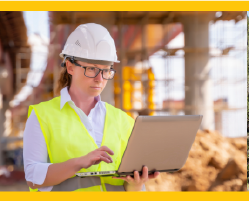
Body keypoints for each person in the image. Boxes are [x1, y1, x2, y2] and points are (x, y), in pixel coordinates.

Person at [22, 23, 157, 192]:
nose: (100, 78)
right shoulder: (42, 116)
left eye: (106, 70)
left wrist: (136, 184)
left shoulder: (124, 121)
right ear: (70, 67)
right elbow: (33, 177)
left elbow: (132, 189)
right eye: (91, 69)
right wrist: (79, 163)